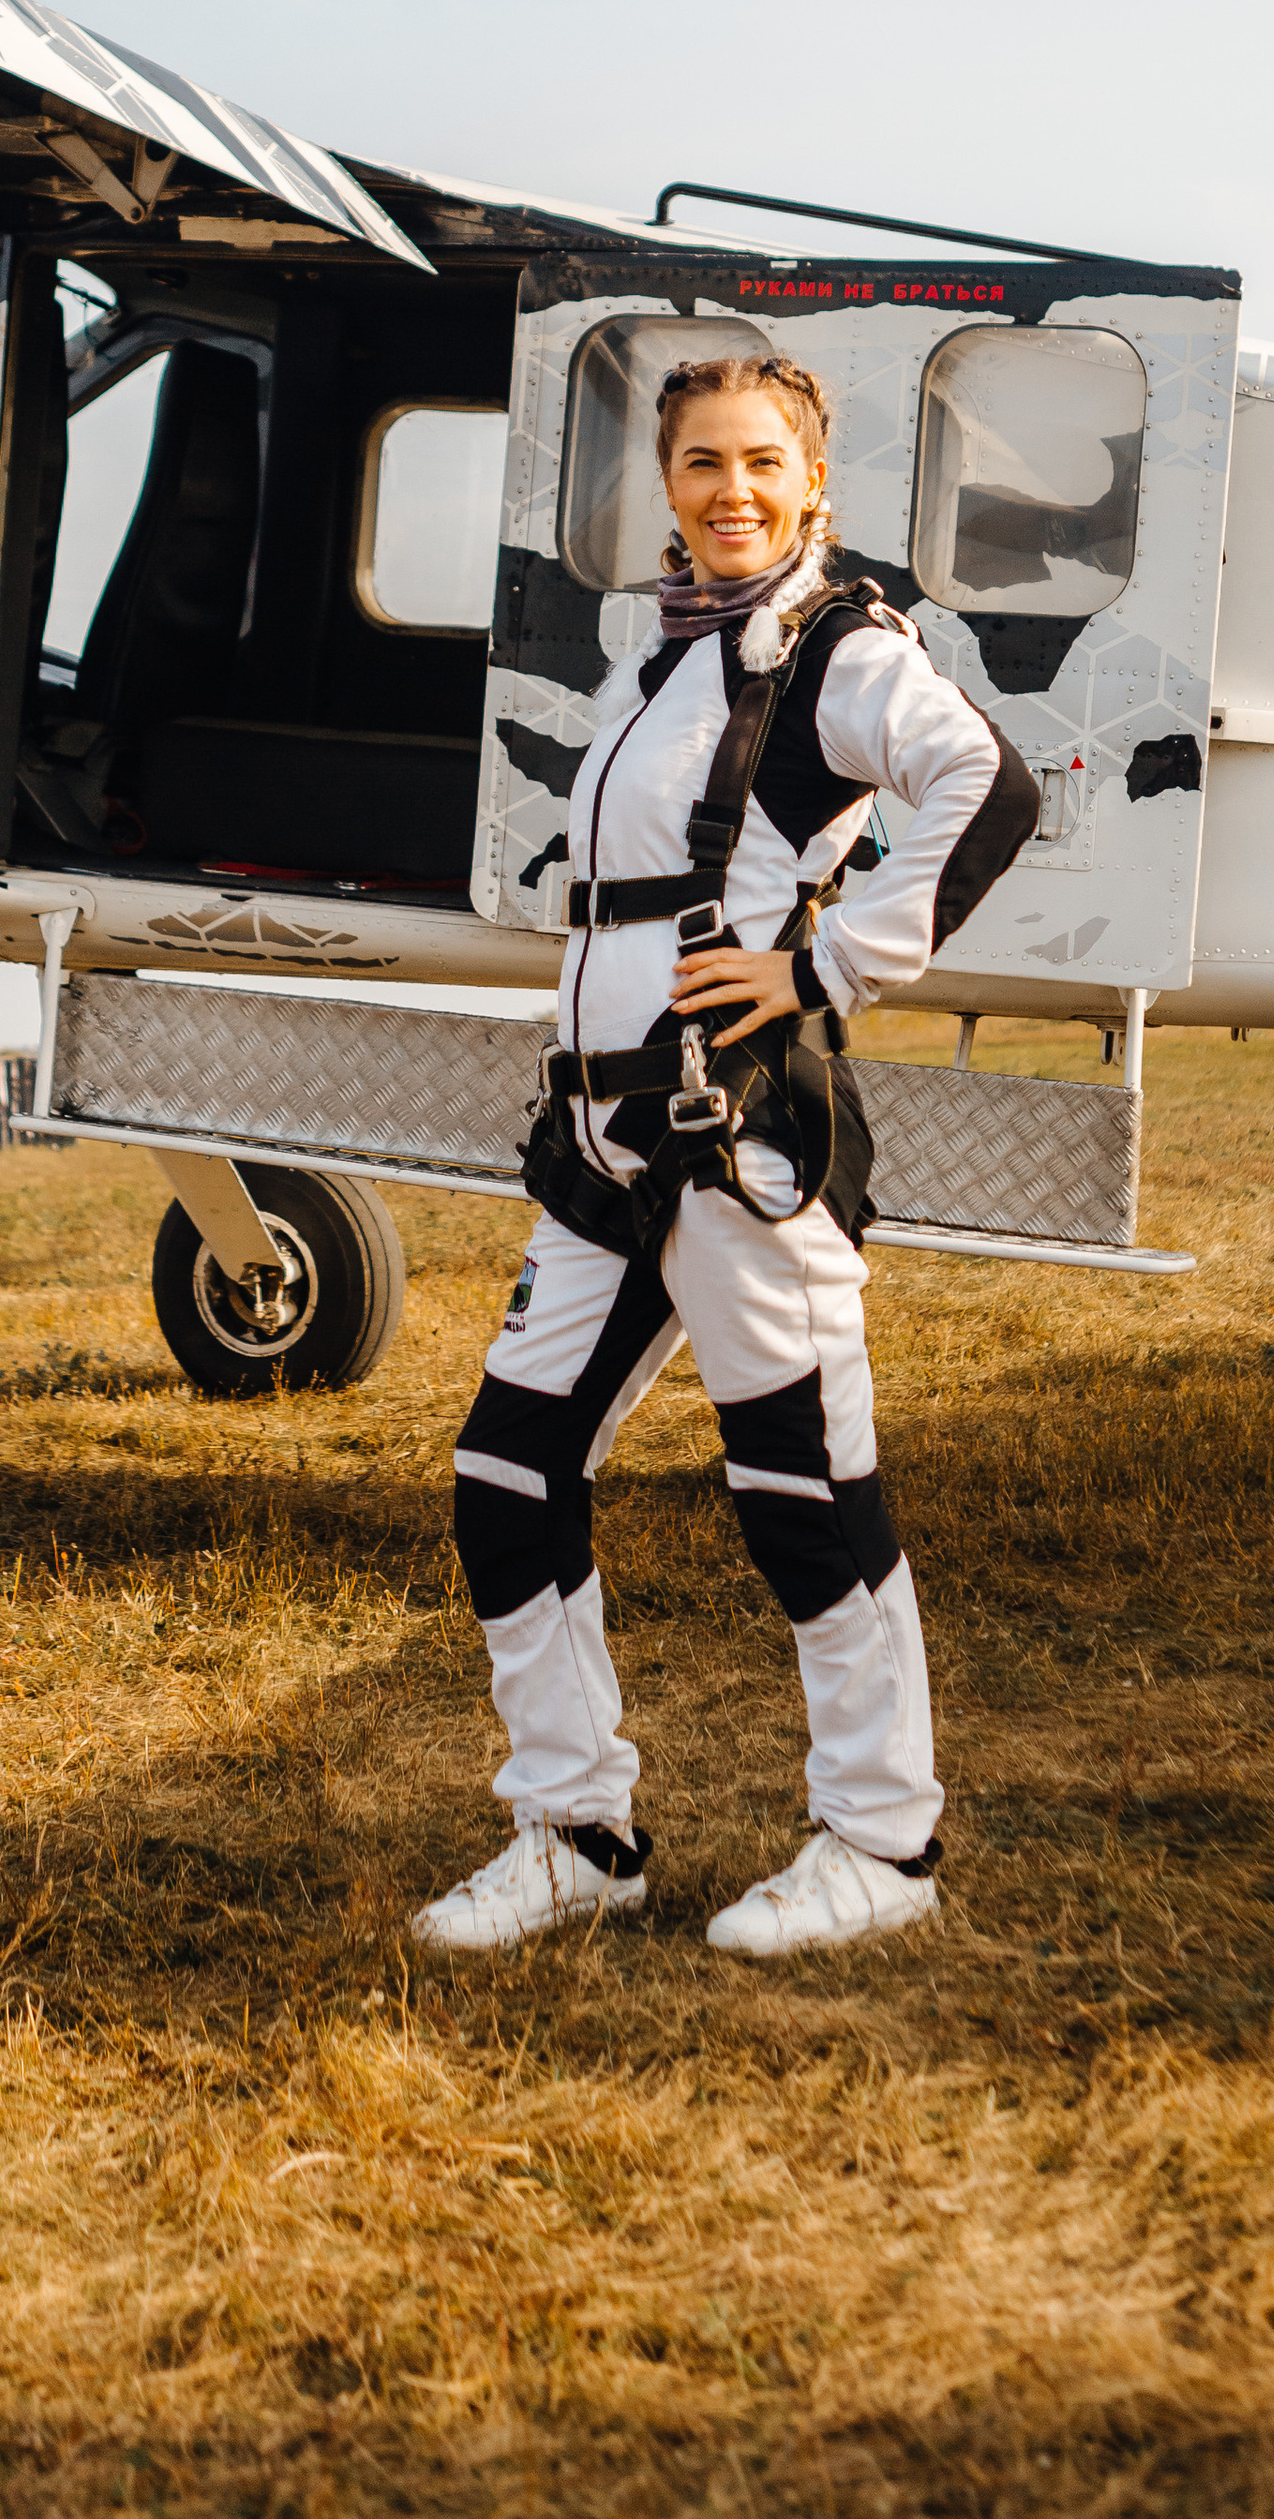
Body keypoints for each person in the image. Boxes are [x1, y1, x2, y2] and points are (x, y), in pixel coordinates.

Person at [412, 348, 1036, 1959]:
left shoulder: (837, 652)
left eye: (764, 462)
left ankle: (882, 1847)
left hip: (734, 1136)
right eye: (702, 462)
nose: (732, 491)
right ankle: (577, 1832)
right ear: (668, 484)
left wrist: (825, 968)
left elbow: (989, 782)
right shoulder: (665, 658)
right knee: (506, 1478)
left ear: (814, 482)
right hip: (603, 1144)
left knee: (803, 1491)